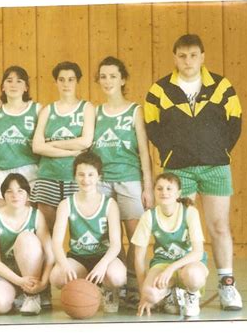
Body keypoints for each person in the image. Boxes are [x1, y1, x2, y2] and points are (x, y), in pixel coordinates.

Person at [143, 33, 243, 310]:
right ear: (175, 58)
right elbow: (153, 127)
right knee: (180, 232)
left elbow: (234, 123)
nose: (188, 60)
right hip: (178, 170)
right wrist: (173, 152)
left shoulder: (222, 87)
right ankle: (181, 290)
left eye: (194, 55)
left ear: (202, 56)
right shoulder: (159, 90)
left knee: (219, 227)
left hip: (216, 167)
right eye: (182, 55)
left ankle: (227, 285)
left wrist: (219, 151)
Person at [92, 56, 154, 309]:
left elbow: (144, 151)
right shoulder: (95, 111)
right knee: (107, 237)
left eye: (113, 76)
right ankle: (112, 286)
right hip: (102, 183)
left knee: (135, 237)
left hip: (129, 180)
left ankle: (132, 283)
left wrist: (147, 186)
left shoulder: (134, 110)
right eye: (103, 76)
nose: (108, 81)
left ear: (123, 79)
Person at [49, 152, 126, 313]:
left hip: (104, 256)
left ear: (99, 177)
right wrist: (64, 265)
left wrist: (102, 265)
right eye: (81, 174)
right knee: (56, 276)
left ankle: (109, 290)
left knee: (117, 276)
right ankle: (85, 288)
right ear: (75, 176)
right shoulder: (66, 204)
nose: (86, 179)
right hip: (79, 257)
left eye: (91, 174)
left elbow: (116, 244)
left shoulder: (110, 204)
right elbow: (56, 243)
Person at [133, 173, 209, 317]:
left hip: (189, 263)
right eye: (159, 188)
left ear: (178, 193)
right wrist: (143, 292)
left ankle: (191, 295)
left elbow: (198, 252)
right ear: (154, 191)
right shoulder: (148, 216)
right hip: (162, 262)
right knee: (150, 294)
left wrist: (171, 268)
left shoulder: (190, 213)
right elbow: (138, 258)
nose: (164, 192)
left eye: (169, 188)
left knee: (193, 276)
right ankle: (169, 293)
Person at [31, 61, 96, 232]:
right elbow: (37, 147)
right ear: (56, 82)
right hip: (48, 177)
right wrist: (72, 152)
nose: (66, 84)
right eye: (61, 80)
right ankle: (51, 261)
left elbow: (85, 141)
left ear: (77, 82)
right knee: (47, 232)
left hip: (75, 177)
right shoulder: (47, 110)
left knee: (80, 231)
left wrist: (52, 144)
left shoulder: (86, 108)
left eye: (71, 79)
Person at [0, 173, 54, 316]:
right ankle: (19, 298)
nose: (15, 195)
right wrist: (19, 281)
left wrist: (44, 282)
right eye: (9, 191)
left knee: (26, 238)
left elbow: (50, 254)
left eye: (20, 191)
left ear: (27, 195)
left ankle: (31, 296)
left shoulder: (36, 215)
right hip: (6, 273)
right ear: (4, 196)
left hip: (33, 272)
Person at [0, 66, 41, 209]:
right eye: (9, 81)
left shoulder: (37, 109)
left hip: (28, 170)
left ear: (26, 87)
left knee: (27, 223)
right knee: (2, 222)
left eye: (19, 81)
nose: (13, 85)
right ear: (3, 87)